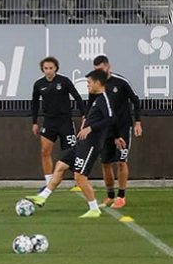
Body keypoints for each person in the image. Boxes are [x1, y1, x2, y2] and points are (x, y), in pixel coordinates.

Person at [25, 69, 116, 218]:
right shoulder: (96, 98)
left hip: (91, 145)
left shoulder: (104, 98)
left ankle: (94, 208)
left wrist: (90, 128)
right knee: (60, 166)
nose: (88, 85)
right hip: (82, 142)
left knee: (79, 177)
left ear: (98, 83)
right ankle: (43, 196)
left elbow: (111, 119)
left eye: (89, 82)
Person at [91, 55, 143, 209]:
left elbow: (135, 100)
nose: (99, 72)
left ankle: (121, 196)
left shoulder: (121, 82)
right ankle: (110, 196)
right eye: (96, 70)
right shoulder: (96, 84)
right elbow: (92, 107)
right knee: (106, 163)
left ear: (108, 66)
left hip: (123, 127)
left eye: (101, 69)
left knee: (121, 162)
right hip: (105, 129)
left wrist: (138, 122)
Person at [31, 57, 86, 186]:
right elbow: (34, 103)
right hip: (49, 122)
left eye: (51, 68)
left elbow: (77, 97)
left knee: (72, 151)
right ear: (42, 70)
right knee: (45, 151)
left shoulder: (64, 81)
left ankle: (79, 181)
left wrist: (84, 113)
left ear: (56, 68)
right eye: (46, 68)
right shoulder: (39, 84)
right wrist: (34, 122)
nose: (48, 71)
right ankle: (49, 181)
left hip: (65, 121)